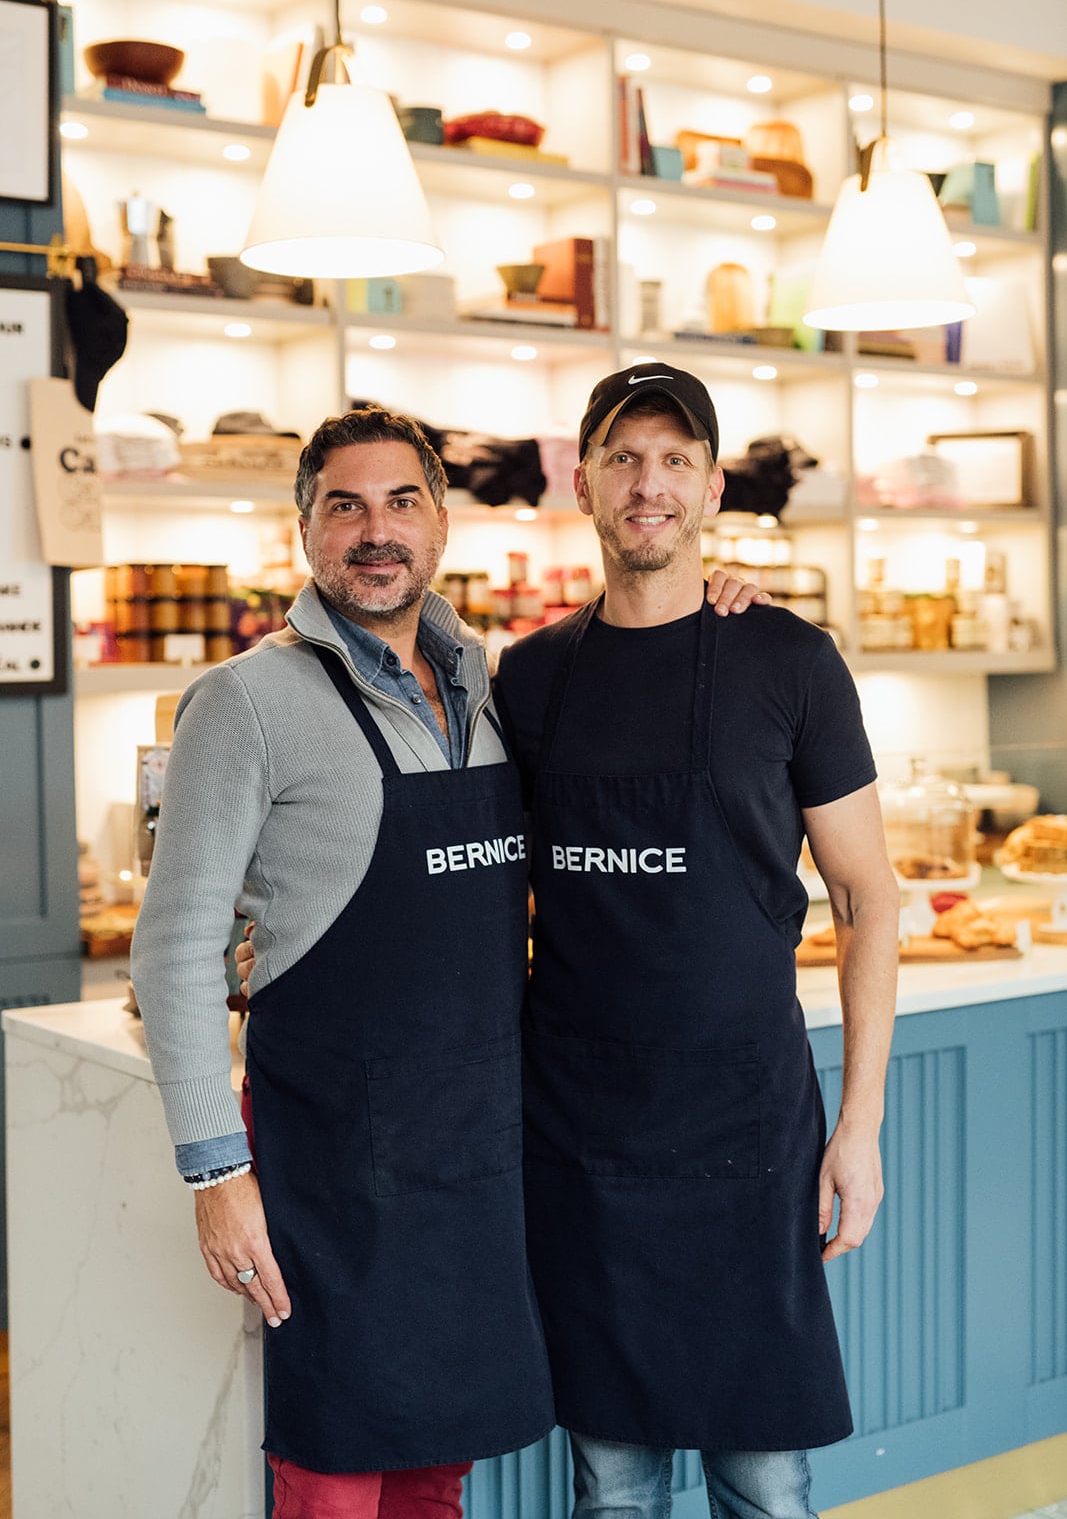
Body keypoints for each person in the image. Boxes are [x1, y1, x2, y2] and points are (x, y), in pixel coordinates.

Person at [132, 403, 763, 1519]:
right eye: (345, 506)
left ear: (440, 526)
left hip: (474, 1158)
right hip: (328, 1166)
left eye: (402, 502)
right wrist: (216, 1176)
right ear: (305, 532)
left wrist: (719, 606)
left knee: (436, 1474)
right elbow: (174, 950)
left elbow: (633, 670)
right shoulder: (244, 703)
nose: (375, 531)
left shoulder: (490, 684)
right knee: (331, 1479)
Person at [491, 363, 900, 1519]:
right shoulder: (527, 678)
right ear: (582, 481)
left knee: (764, 1483)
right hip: (582, 1137)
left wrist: (858, 1127)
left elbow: (869, 898)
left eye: (675, 460)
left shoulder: (788, 661)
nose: (648, 483)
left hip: (745, 1133)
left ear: (715, 488)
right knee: (610, 1486)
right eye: (622, 456)